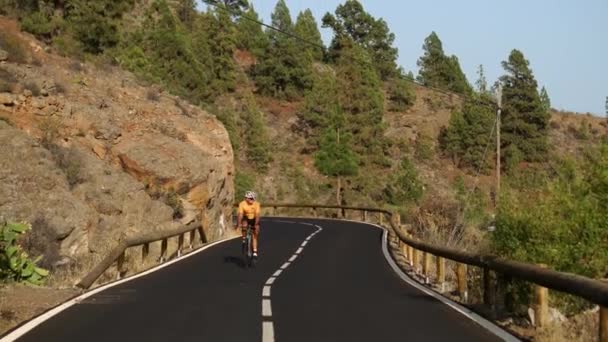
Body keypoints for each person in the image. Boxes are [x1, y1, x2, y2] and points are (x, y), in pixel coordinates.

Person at [235, 191, 261, 259]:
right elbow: (240, 215)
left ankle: (255, 252)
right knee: (244, 225)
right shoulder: (242, 204)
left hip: (254, 218)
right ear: (246, 198)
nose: (253, 200)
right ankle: (244, 239)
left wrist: (256, 224)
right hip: (246, 217)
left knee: (255, 234)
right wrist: (238, 224)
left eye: (253, 198)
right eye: (251, 198)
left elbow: (257, 215)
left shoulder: (256, 204)